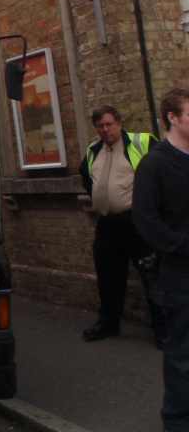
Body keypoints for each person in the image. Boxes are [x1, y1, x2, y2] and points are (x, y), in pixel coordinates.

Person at [79, 104, 162, 343]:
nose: (105, 130)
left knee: (150, 276)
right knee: (108, 276)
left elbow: (160, 174)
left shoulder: (141, 143)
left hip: (136, 222)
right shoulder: (94, 150)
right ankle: (108, 323)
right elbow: (86, 175)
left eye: (109, 124)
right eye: (100, 126)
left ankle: (163, 329)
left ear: (119, 124)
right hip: (107, 224)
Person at [134, 89, 189, 432]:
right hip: (181, 276)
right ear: (173, 117)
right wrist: (182, 246)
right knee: (183, 356)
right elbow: (145, 218)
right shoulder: (154, 162)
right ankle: (178, 422)